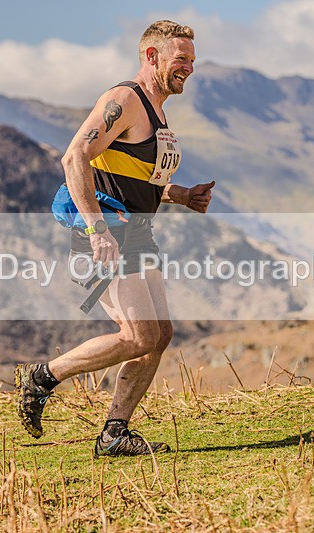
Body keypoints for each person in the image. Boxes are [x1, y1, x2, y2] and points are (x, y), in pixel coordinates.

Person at [15, 20, 215, 457]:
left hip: (136, 233)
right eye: (181, 59)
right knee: (139, 334)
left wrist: (181, 195)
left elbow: (136, 179)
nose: (189, 68)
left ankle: (114, 435)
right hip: (107, 232)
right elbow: (74, 158)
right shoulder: (123, 99)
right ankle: (43, 376)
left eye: (192, 61)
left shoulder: (158, 111)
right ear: (151, 56)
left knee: (159, 334)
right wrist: (96, 229)